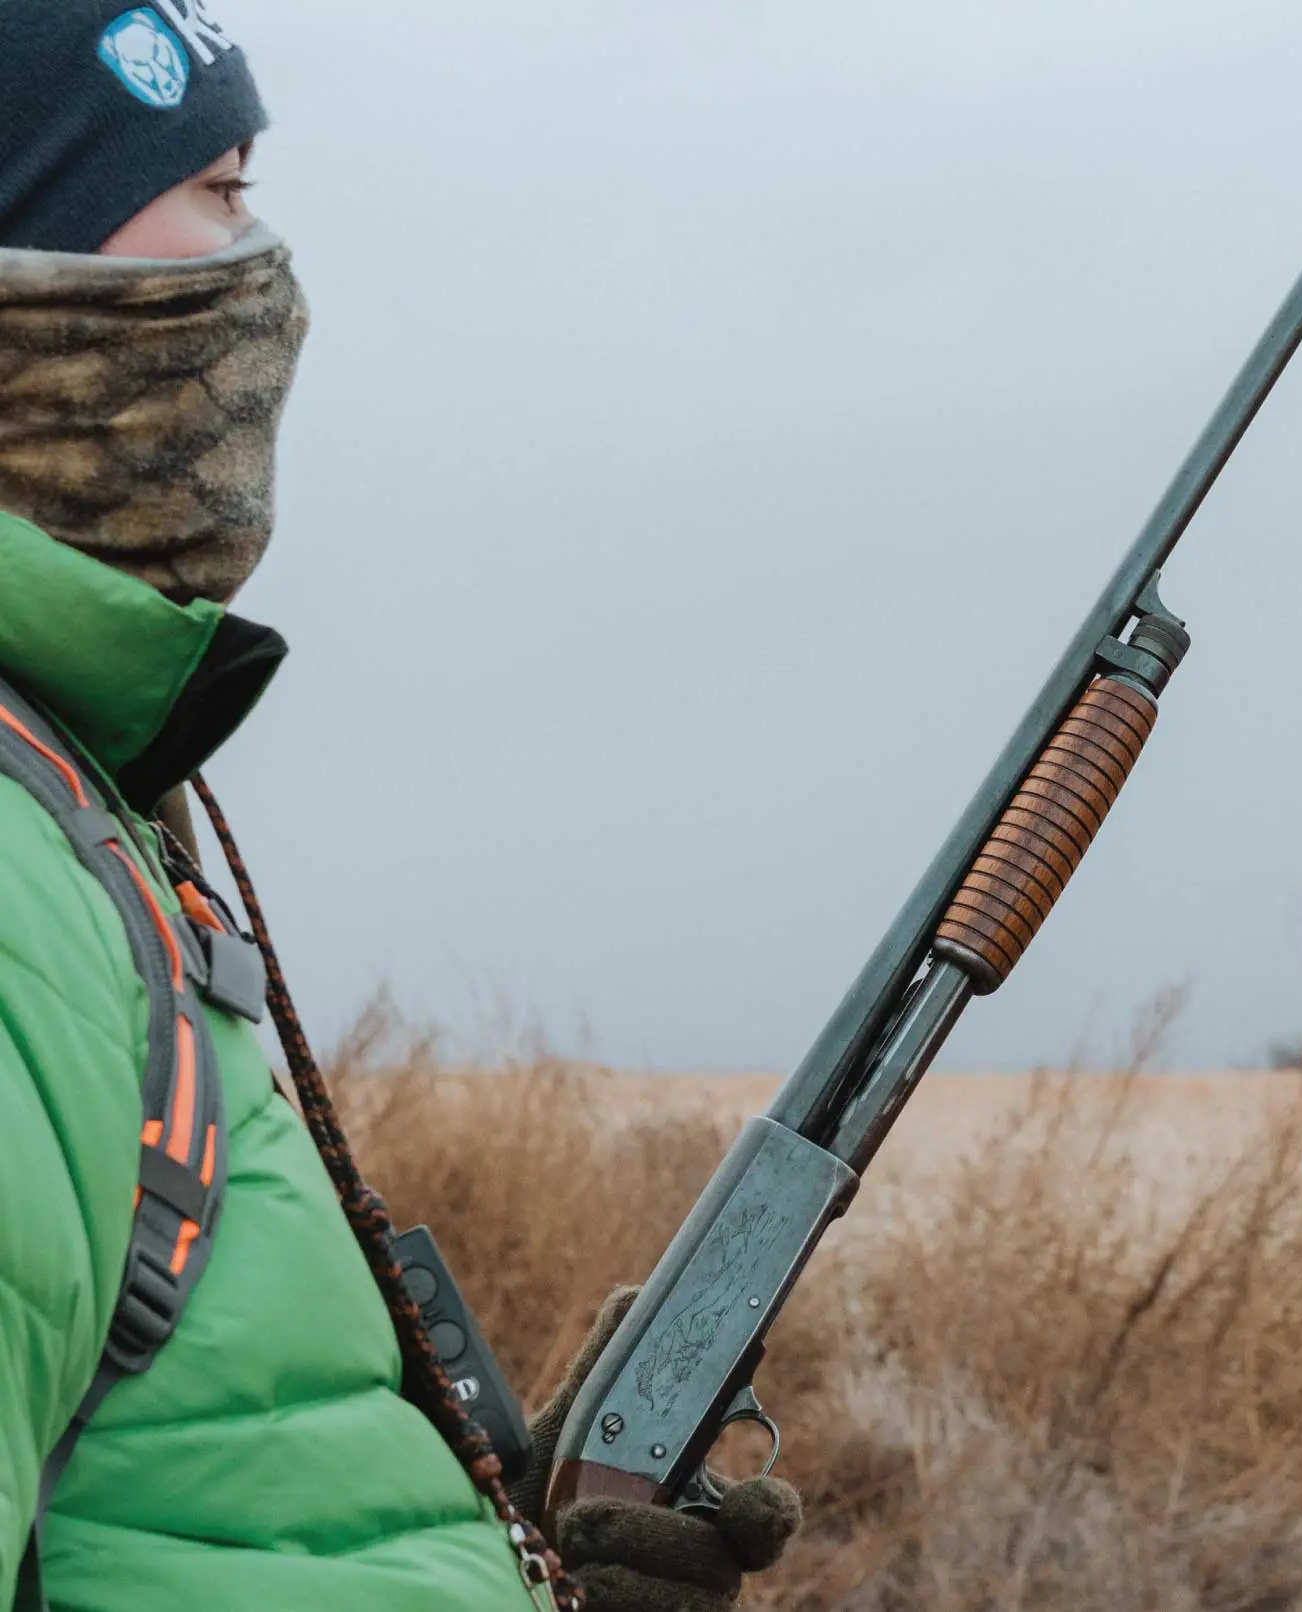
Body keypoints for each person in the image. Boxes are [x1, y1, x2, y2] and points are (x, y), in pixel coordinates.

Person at [0, 4, 799, 1609]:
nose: (263, 269)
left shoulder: (83, 791)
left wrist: (487, 1553)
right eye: (221, 190)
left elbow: (190, 1497)